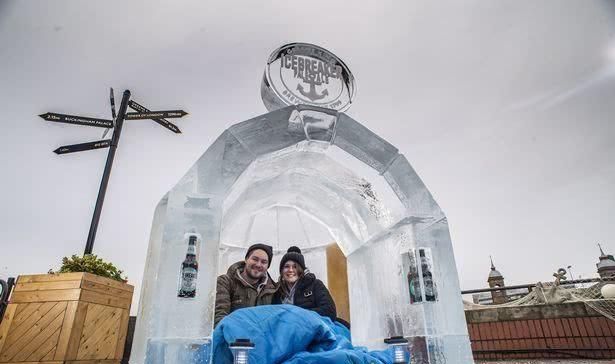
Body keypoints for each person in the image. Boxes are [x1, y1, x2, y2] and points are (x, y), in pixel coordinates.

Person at [214, 242, 277, 327]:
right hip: (233, 338)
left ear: (267, 266)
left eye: (264, 262)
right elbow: (219, 318)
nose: (258, 264)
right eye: (255, 259)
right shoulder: (225, 282)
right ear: (246, 259)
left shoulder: (273, 290)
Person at [273, 246, 337, 321]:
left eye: (295, 266)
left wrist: (298, 315)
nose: (291, 270)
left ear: (301, 270)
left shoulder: (315, 285)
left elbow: (329, 311)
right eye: (286, 266)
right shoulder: (277, 291)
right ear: (281, 271)